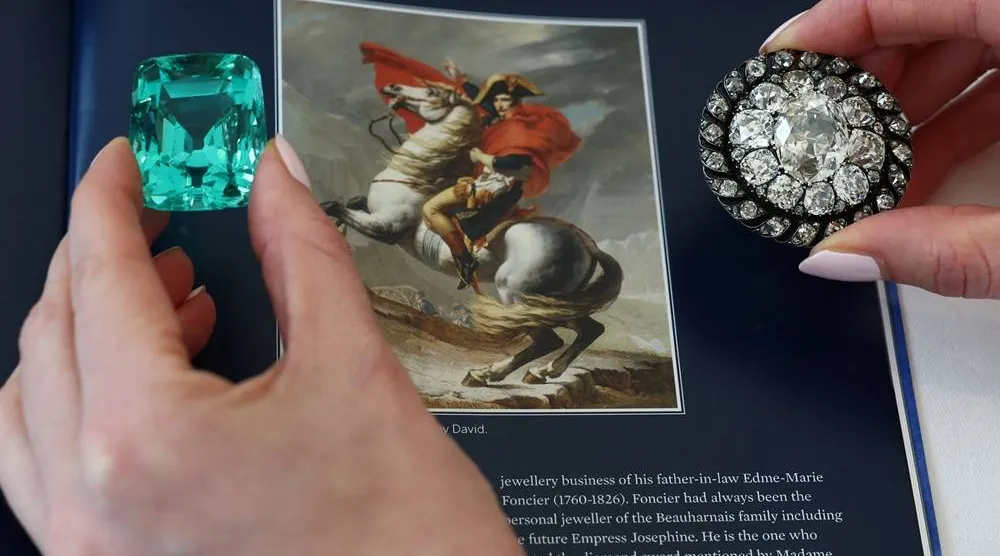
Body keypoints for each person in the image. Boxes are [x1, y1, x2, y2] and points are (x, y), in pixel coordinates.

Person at [2, 0, 1000, 553]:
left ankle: (488, 273)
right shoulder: (463, 125)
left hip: (478, 201)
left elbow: (469, 148)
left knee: (433, 214)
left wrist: (463, 148)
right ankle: (548, 323)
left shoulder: (499, 142)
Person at [421, 62, 581, 289]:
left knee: (430, 209)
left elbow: (520, 167)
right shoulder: (503, 120)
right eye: (496, 100)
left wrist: (482, 157)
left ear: (515, 101)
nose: (498, 104)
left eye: (504, 100)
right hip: (490, 180)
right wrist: (461, 78)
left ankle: (465, 260)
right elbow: (482, 101)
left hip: (497, 187)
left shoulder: (519, 127)